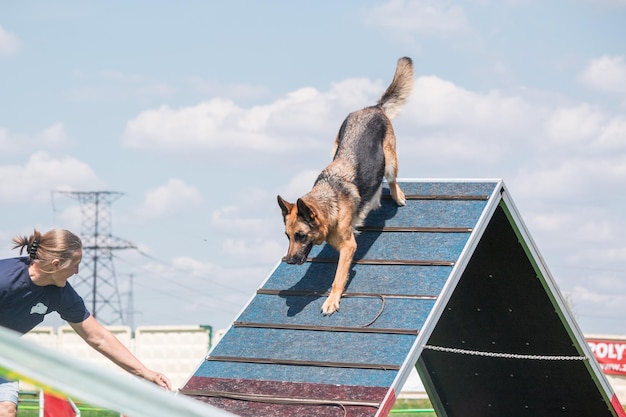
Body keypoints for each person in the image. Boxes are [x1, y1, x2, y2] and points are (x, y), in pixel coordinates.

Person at [0, 229, 171, 417]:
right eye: (75, 265)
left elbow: (98, 337)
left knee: (6, 410)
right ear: (56, 265)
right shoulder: (5, 279)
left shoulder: (61, 294)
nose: (77, 271)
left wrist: (145, 373)